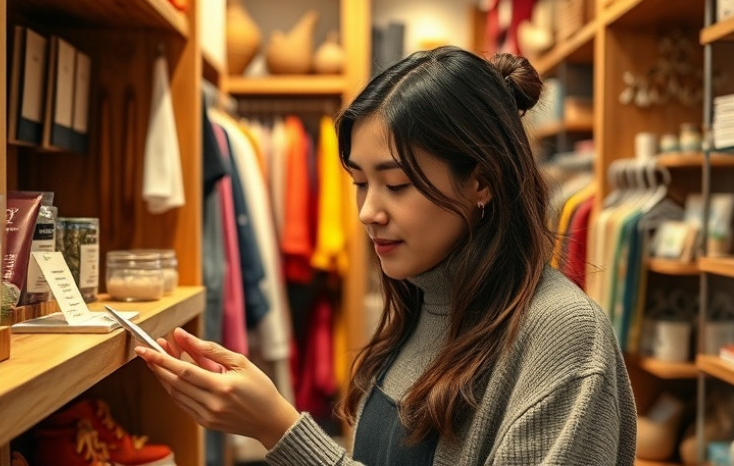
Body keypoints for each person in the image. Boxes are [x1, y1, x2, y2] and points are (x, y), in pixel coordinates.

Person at [136, 46, 637, 465]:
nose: (368, 211)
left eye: (396, 184)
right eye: (359, 183)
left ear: (481, 180)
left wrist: (281, 427)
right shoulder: (423, 301)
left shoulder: (564, 335)